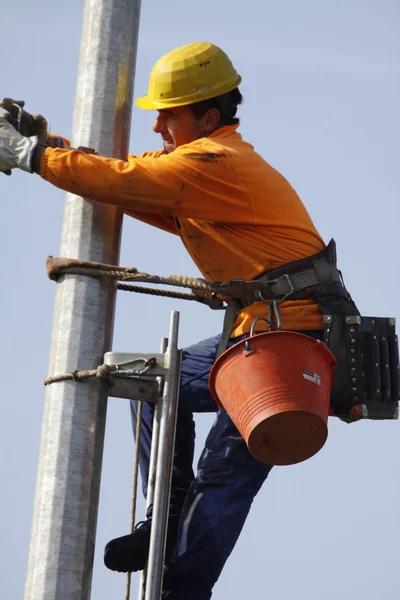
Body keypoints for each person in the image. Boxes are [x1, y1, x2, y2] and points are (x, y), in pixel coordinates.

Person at [0, 42, 327, 599]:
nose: (156, 127)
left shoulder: (215, 163)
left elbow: (125, 179)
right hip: (256, 336)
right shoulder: (206, 168)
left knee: (225, 474)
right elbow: (125, 182)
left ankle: (181, 591)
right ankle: (166, 514)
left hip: (287, 342)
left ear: (208, 116)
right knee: (154, 380)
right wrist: (50, 148)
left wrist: (33, 155)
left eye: (167, 114)